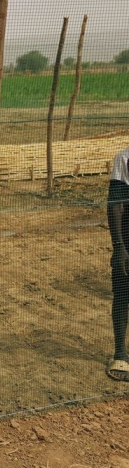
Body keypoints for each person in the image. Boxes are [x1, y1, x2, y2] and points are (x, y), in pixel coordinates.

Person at [107, 145, 129, 380]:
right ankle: (121, 351)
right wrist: (119, 246)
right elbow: (115, 203)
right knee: (123, 291)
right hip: (128, 237)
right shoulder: (125, 158)